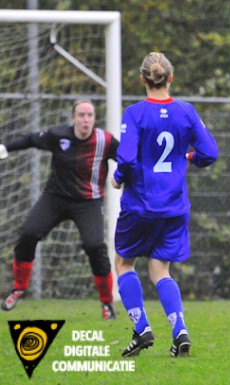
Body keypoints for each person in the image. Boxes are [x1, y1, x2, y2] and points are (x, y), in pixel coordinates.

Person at [112, 52, 218, 358]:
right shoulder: (185, 111)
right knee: (160, 269)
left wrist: (118, 178)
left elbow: (128, 157)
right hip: (174, 207)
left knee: (124, 262)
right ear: (170, 78)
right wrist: (189, 158)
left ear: (143, 80)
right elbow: (210, 152)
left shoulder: (134, 113)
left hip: (141, 206)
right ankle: (179, 330)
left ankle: (141, 326)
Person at [0, 99, 119, 320]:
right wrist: (6, 147)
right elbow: (31, 139)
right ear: (73, 117)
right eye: (81, 115)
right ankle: (18, 289)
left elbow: (128, 159)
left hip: (88, 202)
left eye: (90, 115)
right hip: (54, 198)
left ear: (94, 118)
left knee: (95, 246)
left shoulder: (105, 140)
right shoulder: (58, 136)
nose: (86, 120)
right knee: (28, 233)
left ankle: (107, 303)